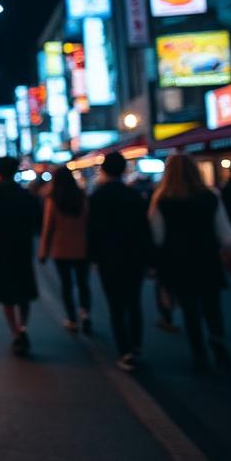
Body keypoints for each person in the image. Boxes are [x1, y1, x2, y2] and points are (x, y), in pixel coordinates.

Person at [148, 154, 231, 372]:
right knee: (212, 304)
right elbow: (224, 230)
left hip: (178, 260)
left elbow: (156, 236)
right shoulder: (210, 196)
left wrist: (154, 263)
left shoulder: (162, 199)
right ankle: (218, 342)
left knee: (190, 308)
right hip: (207, 257)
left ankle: (199, 354)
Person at [87, 152, 152, 371]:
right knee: (133, 302)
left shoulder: (98, 196)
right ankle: (137, 345)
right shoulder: (133, 195)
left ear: (104, 169)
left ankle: (124, 351)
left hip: (109, 257)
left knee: (115, 304)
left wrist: (93, 257)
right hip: (134, 256)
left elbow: (93, 230)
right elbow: (144, 228)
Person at [0, 156, 42, 356]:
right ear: (16, 171)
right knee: (23, 290)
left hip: (0, 246)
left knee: (6, 292)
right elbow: (35, 223)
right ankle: (23, 327)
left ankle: (15, 331)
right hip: (22, 247)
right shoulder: (25, 195)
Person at [38, 168, 92, 333]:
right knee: (83, 283)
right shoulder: (82, 197)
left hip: (61, 248)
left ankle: (72, 319)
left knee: (66, 285)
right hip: (83, 247)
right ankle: (85, 313)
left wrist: (43, 251)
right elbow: (89, 223)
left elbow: (48, 228)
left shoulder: (53, 200)